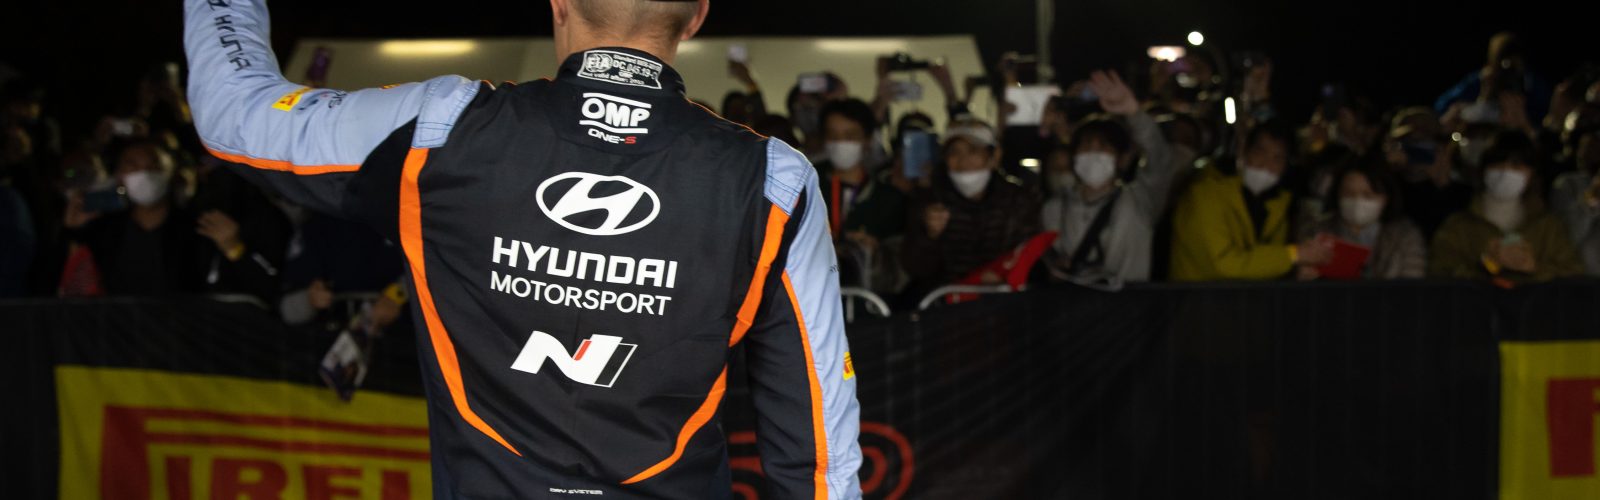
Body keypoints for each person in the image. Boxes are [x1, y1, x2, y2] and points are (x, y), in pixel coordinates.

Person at [182, 1, 860, 499]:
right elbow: (819, 447)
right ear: (696, 18)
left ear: (559, 4)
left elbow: (236, 113)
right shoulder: (774, 181)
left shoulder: (439, 128)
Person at [1040, 70, 1178, 282]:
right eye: (1086, 146)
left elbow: (1160, 160)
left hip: (1131, 301)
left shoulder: (1140, 200)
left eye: (1104, 147)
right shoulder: (1055, 209)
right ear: (1074, 157)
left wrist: (1134, 114)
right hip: (1075, 302)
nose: (1093, 153)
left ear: (1122, 158)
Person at [1169, 121, 1335, 281]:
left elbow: (1268, 265)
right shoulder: (1204, 194)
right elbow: (1223, 265)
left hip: (1243, 298)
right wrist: (1293, 255)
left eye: (1277, 159)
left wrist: (1296, 270)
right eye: (1260, 152)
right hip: (1197, 298)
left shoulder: (1277, 203)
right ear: (1244, 151)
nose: (1266, 164)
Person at [902, 120, 1042, 291]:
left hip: (1006, 298)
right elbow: (916, 269)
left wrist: (1003, 275)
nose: (963, 160)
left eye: (973, 150)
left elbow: (1032, 258)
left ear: (994, 156)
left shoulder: (1019, 200)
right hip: (948, 300)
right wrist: (929, 236)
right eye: (954, 152)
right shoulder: (929, 200)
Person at [1429, 131, 1583, 283]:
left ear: (1532, 173)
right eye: (1498, 163)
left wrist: (1535, 268)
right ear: (1483, 170)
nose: (1506, 171)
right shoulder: (1459, 227)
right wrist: (1488, 266)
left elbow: (1574, 275)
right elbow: (1439, 274)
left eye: (1517, 165)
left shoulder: (1548, 227)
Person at [816, 99, 906, 294]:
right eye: (832, 135)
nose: (840, 143)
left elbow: (901, 268)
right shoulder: (806, 186)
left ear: (867, 140)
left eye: (850, 136)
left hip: (867, 303)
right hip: (813, 298)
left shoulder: (889, 199)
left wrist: (874, 252)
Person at [1298, 161, 1427, 279]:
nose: (1358, 201)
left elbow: (1412, 284)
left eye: (1368, 195)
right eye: (1349, 194)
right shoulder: (1315, 232)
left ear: (1386, 198)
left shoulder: (1405, 236)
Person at [1548, 105, 1600, 275]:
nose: (1589, 150)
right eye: (1585, 145)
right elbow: (1565, 239)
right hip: (1582, 281)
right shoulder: (1568, 184)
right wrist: (1591, 199)